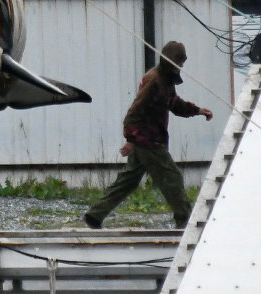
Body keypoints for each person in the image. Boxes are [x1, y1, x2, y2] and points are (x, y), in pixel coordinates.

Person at [84, 41, 213, 230]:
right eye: (180, 62)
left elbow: (174, 104)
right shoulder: (155, 80)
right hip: (148, 141)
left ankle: (94, 215)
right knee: (172, 177)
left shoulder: (166, 79)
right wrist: (130, 139)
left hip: (146, 139)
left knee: (128, 181)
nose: (182, 66)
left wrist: (198, 111)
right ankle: (186, 220)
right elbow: (134, 112)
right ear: (172, 61)